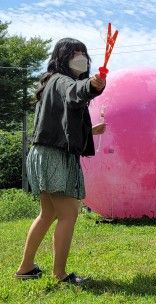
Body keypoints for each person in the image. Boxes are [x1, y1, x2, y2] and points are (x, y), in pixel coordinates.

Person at [14, 38, 106, 284]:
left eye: (83, 53)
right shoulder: (61, 80)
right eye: (75, 53)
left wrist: (89, 130)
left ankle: (26, 268)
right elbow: (75, 91)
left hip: (42, 153)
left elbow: (59, 124)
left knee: (48, 213)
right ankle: (60, 274)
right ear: (61, 57)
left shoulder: (49, 83)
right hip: (54, 155)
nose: (81, 57)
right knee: (69, 213)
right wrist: (92, 85)